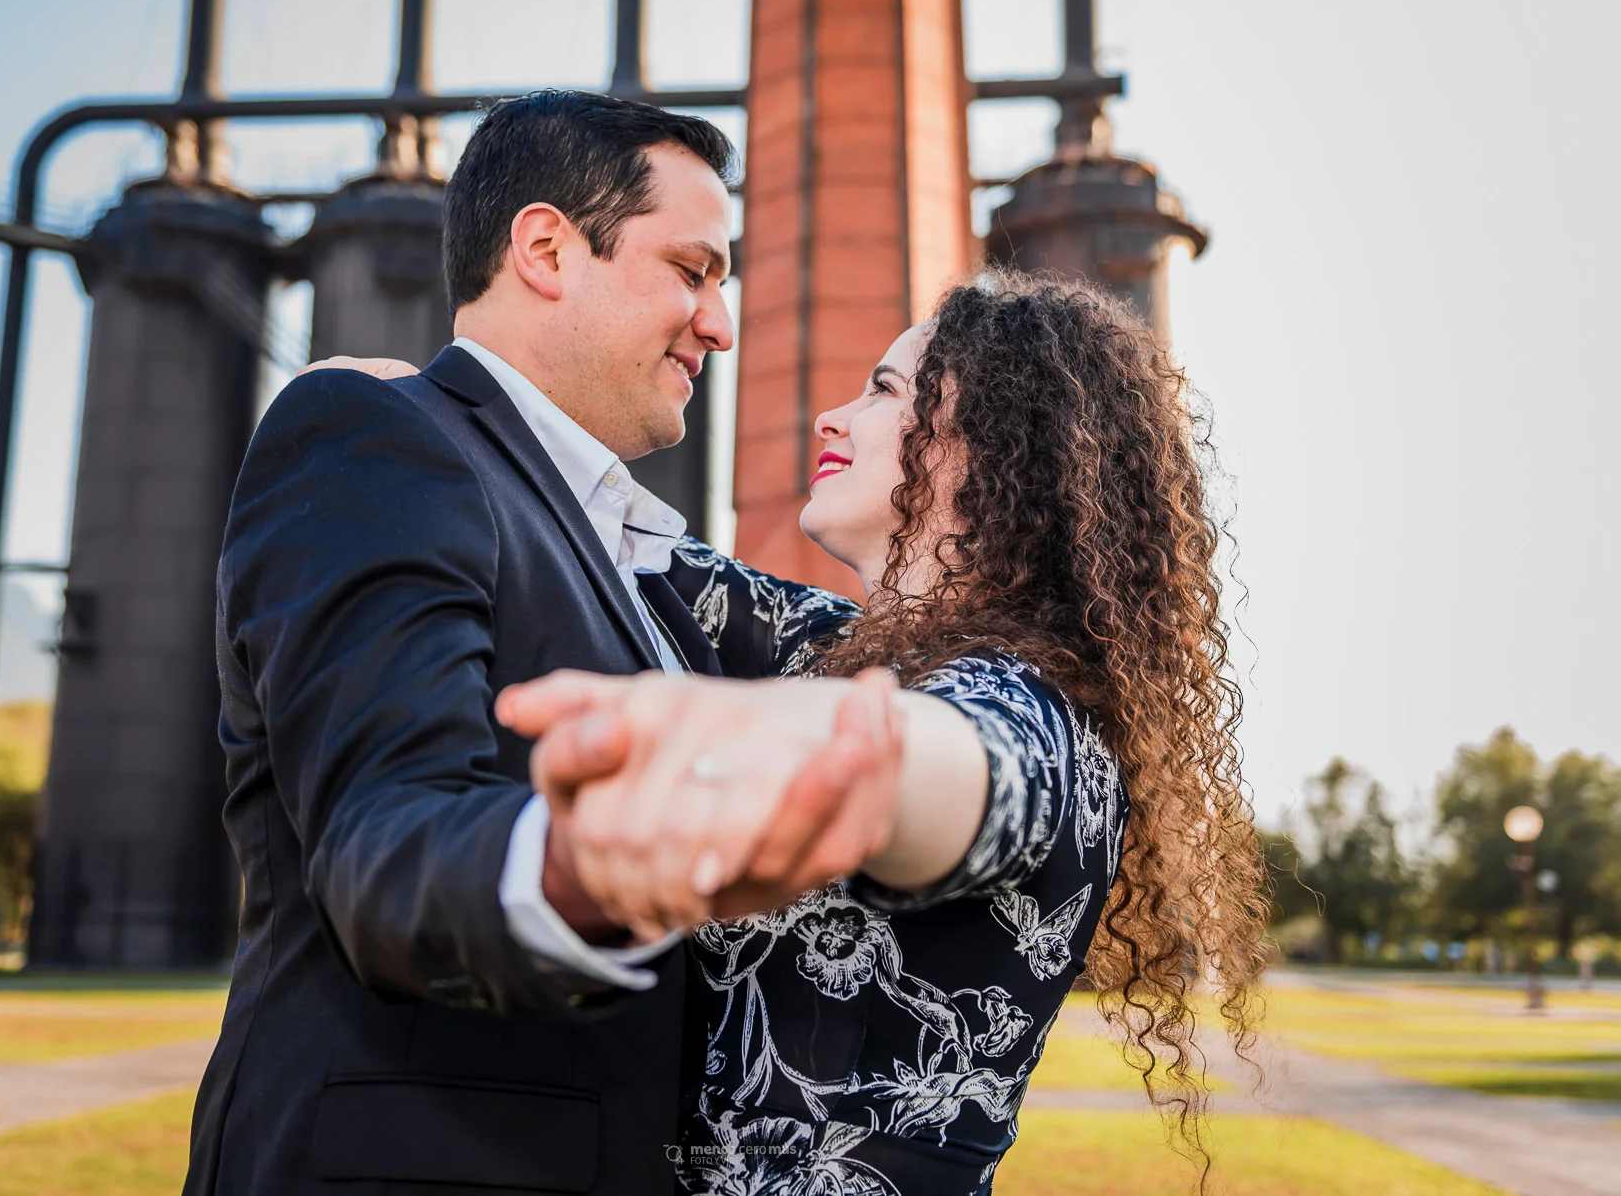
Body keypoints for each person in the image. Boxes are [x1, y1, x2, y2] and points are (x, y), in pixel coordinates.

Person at [336, 271, 1267, 1194]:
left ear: (992, 448)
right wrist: (424, 412)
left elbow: (962, 761)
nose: (831, 419)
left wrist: (844, 759)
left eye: (884, 391)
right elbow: (618, 541)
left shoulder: (1042, 718)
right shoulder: (835, 648)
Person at [186, 91, 910, 1196]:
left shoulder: (640, 549)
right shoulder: (380, 435)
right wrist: (581, 867)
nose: (721, 324)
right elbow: (388, 836)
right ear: (546, 251)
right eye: (693, 270)